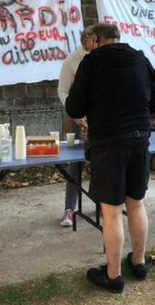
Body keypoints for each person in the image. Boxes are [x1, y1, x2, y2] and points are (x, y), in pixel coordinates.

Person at [65, 23, 155, 293]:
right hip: (140, 140)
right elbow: (153, 105)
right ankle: (139, 264)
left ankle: (114, 276)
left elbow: (74, 107)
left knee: (112, 211)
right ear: (118, 38)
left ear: (96, 39)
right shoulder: (142, 59)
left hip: (108, 143)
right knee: (137, 204)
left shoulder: (91, 62)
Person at [57, 26, 94, 227]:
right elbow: (63, 91)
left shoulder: (103, 58)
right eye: (86, 49)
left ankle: (103, 205)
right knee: (74, 164)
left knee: (101, 162)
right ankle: (69, 209)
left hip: (100, 120)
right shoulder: (72, 60)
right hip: (78, 117)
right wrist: (75, 113)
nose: (90, 52)